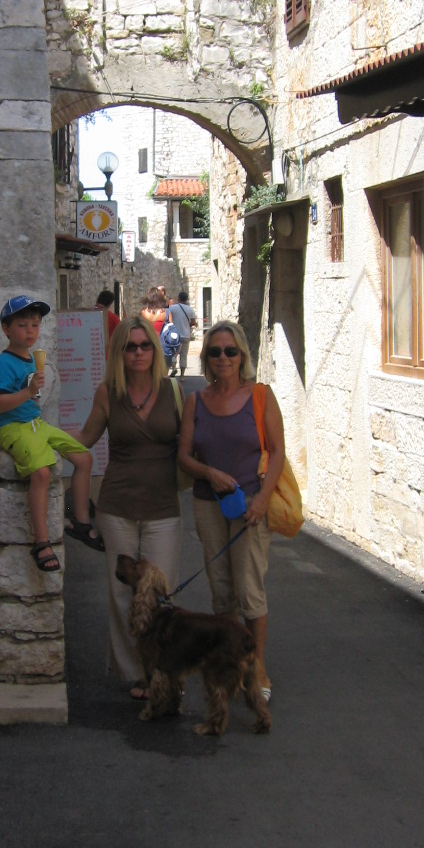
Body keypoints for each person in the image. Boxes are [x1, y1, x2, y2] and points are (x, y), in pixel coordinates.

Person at [177, 320, 284, 700]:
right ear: (206, 358)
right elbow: (184, 457)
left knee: (250, 590)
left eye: (230, 351)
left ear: (242, 356)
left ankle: (258, 669)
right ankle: (231, 662)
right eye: (214, 352)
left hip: (250, 505)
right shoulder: (196, 401)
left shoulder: (260, 396)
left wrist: (263, 499)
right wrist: (209, 473)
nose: (222, 358)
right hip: (208, 504)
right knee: (221, 591)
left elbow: (277, 453)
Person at [78, 315, 183, 699]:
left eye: (144, 345)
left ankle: (164, 673)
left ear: (154, 350)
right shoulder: (108, 393)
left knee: (159, 595)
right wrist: (38, 437)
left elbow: (193, 444)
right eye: (129, 346)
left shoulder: (174, 392)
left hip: (163, 507)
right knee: (122, 594)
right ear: (118, 353)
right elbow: (84, 439)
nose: (138, 352)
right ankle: (136, 673)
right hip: (117, 506)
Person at [0, 295, 104, 573]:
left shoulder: (30, 359)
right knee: (40, 473)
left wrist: (32, 394)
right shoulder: (3, 364)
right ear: (6, 329)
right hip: (10, 427)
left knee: (84, 459)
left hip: (34, 423)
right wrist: (29, 392)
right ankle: (41, 541)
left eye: (35, 325)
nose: (30, 331)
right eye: (22, 325)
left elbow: (32, 400)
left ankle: (80, 521)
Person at [167, 290, 197, 378]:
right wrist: (187, 325)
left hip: (175, 335)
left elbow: (168, 319)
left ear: (178, 298)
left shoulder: (172, 308)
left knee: (173, 353)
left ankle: (173, 368)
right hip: (186, 335)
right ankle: (182, 375)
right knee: (184, 355)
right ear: (186, 299)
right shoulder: (190, 309)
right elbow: (193, 322)